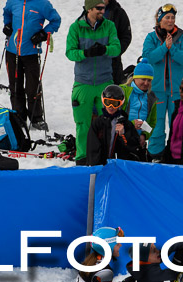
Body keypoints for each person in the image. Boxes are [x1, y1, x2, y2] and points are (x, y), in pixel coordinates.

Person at [66, 0, 121, 165]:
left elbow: (117, 48)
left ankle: (105, 157)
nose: (103, 11)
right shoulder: (75, 27)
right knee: (83, 124)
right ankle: (82, 158)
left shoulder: (109, 26)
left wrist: (105, 49)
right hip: (83, 83)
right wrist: (86, 53)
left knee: (107, 123)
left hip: (105, 82)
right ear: (89, 8)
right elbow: (70, 52)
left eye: (104, 8)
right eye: (99, 8)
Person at [142, 4, 183, 161]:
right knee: (156, 125)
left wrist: (172, 49)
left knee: (177, 125)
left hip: (177, 90)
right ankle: (155, 154)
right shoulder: (151, 37)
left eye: (172, 17)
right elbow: (149, 58)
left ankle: (176, 155)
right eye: (167, 18)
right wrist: (164, 47)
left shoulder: (182, 37)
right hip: (157, 89)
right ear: (159, 20)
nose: (170, 21)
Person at [3, 0, 61, 130]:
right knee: (15, 85)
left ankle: (36, 117)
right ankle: (19, 116)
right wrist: (7, 25)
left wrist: (43, 34)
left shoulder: (42, 3)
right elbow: (6, 13)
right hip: (12, 51)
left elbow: (55, 20)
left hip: (31, 52)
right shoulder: (13, 2)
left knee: (32, 87)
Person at [86, 85, 142, 165]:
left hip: (120, 168)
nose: (111, 107)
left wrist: (124, 134)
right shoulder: (97, 123)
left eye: (115, 104)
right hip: (102, 168)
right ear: (103, 102)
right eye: (108, 102)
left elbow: (134, 147)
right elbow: (92, 148)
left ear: (120, 104)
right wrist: (95, 167)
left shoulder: (126, 124)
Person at [120, 59, 158, 150]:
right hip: (121, 139)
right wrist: (131, 124)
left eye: (149, 80)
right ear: (135, 77)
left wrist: (144, 135)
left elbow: (152, 123)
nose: (146, 83)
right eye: (143, 79)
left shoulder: (151, 98)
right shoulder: (123, 91)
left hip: (138, 142)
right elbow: (114, 116)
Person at [103, 0, 132, 85]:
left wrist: (115, 51)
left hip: (113, 65)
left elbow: (126, 36)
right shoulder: (88, 13)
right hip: (91, 67)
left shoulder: (119, 12)